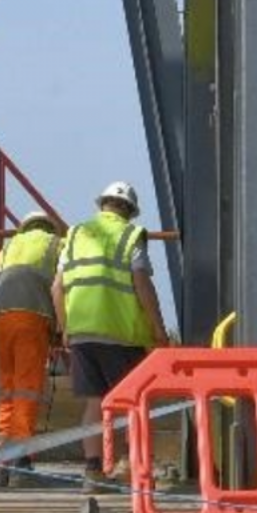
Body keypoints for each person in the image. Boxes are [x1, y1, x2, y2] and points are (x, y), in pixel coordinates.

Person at [53, 181, 171, 491]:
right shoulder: (131, 235)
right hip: (121, 333)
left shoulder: (76, 234)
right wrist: (158, 329)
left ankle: (93, 472)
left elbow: (57, 287)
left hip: (81, 332)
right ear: (130, 211)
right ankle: (135, 469)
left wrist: (65, 327)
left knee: (94, 403)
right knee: (133, 402)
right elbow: (142, 284)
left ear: (101, 204)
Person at [0, 210, 61, 484]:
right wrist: (60, 325)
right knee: (26, 389)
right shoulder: (56, 244)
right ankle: (21, 460)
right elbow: (61, 283)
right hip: (32, 316)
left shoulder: (9, 246)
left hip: (1, 318)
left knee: (8, 389)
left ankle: (3, 459)